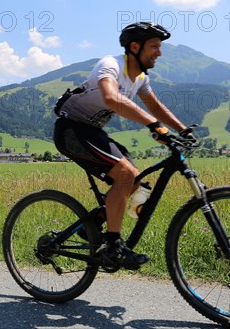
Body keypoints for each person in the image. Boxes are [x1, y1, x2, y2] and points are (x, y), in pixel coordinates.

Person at [53, 22, 196, 270]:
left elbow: (156, 106)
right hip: (71, 130)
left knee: (135, 178)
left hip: (93, 131)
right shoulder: (111, 65)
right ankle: (113, 245)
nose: (159, 53)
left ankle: (93, 224)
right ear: (134, 46)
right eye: (154, 47)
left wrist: (182, 129)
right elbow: (111, 97)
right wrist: (154, 126)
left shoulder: (140, 78)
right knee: (125, 174)